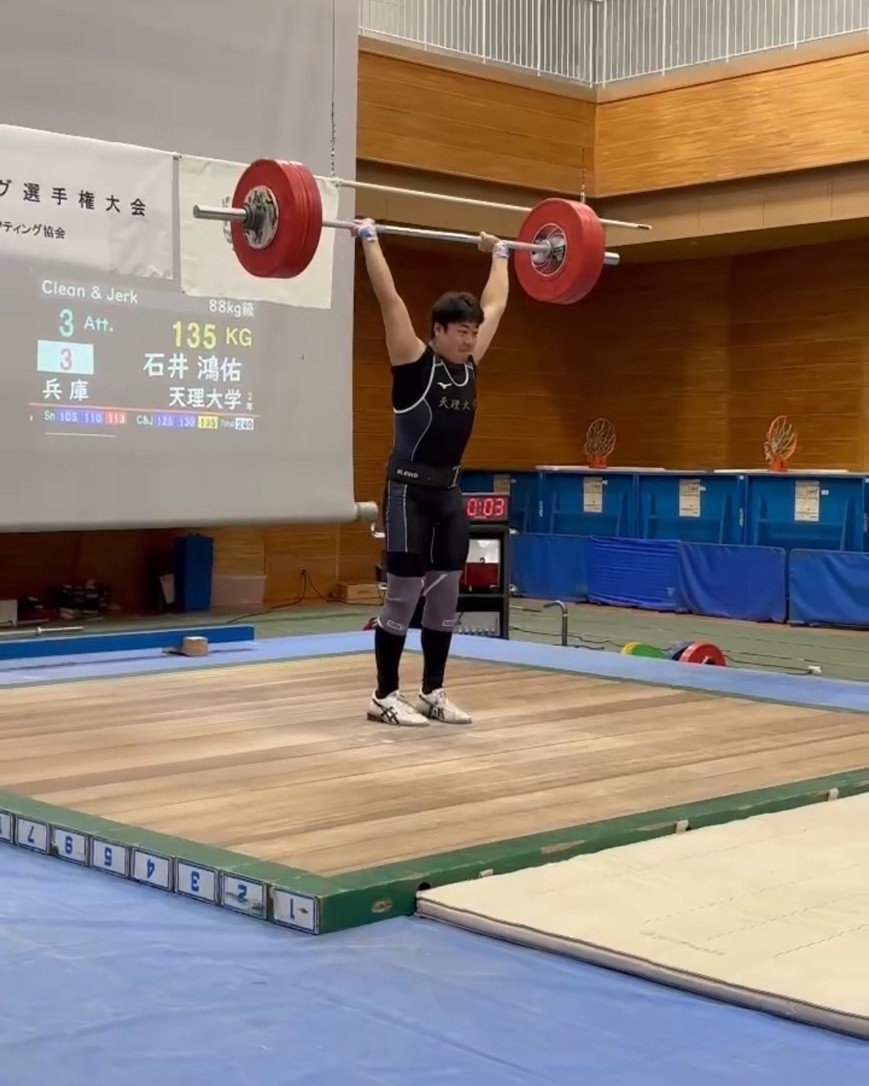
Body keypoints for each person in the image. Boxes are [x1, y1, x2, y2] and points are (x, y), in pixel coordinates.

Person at [354, 217, 510, 728]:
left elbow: (496, 304)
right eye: (462, 332)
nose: (470, 339)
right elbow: (390, 300)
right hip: (407, 495)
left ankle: (432, 692)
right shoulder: (413, 361)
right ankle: (383, 696)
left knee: (445, 596)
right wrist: (369, 239)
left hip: (448, 495)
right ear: (438, 330)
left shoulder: (470, 364)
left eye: (473, 333)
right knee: (403, 597)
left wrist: (500, 254)